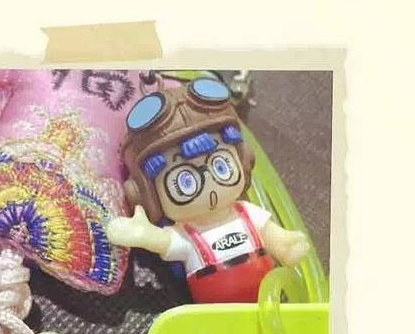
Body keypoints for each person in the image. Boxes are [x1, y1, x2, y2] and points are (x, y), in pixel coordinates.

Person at [107, 76, 309, 303]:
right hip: (213, 314)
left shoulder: (246, 213)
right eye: (185, 181)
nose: (210, 187)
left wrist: (285, 245)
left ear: (243, 160)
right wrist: (143, 235)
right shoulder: (187, 234)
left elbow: (271, 233)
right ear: (149, 197)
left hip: (269, 300)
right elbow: (163, 241)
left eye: (220, 166)